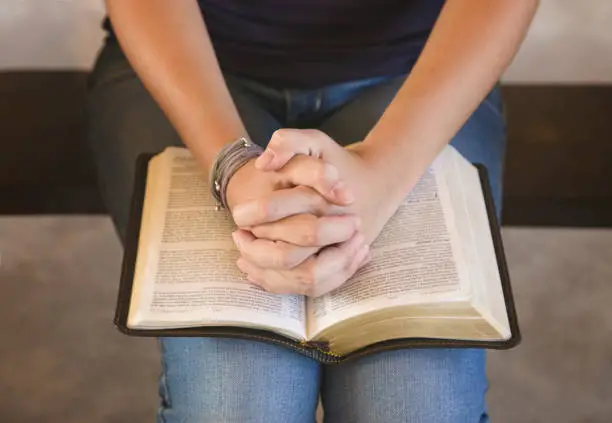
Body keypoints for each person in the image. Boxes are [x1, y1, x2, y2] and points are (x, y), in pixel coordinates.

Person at [86, 1, 538, 421]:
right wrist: (232, 166)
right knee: (238, 399)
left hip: (431, 64)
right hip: (183, 57)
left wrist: (384, 172)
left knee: (417, 400)